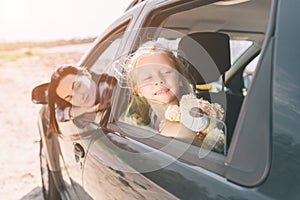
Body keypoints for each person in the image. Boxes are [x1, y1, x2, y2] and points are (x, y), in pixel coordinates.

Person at [120, 41, 203, 145]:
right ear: (138, 90)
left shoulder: (200, 111)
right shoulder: (138, 122)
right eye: (147, 77)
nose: (159, 80)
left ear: (180, 79)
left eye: (166, 72)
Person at [47, 64, 117, 135]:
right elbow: (57, 114)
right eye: (70, 97)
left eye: (78, 86)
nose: (80, 97)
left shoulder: (115, 88)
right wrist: (84, 110)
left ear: (87, 75)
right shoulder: (86, 111)